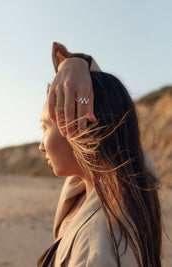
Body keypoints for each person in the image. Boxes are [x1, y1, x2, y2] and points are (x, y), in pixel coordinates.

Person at [37, 43, 162, 267]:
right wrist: (76, 63)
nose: (41, 146)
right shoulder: (124, 183)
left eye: (45, 128)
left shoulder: (93, 250)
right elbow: (96, 102)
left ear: (78, 125)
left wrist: (74, 66)